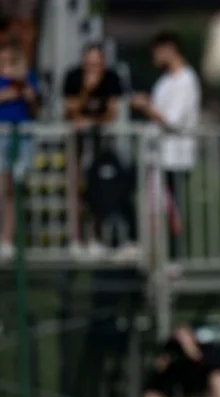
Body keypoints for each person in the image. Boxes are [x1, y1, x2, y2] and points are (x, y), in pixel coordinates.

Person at [131, 30, 201, 261]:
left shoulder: (186, 79)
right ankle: (159, 260)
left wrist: (146, 107)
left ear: (169, 49)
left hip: (176, 158)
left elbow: (173, 121)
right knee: (155, 214)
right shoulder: (165, 80)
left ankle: (173, 263)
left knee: (172, 215)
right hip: (159, 158)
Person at [63, 43, 124, 258]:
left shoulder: (111, 78)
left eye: (97, 64)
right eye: (89, 64)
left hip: (101, 143)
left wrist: (91, 121)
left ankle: (96, 237)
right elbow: (70, 111)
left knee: (98, 189)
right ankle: (76, 238)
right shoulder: (73, 77)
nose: (93, 69)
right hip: (77, 143)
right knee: (76, 189)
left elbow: (112, 112)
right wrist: (86, 91)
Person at [0, 40, 37, 260]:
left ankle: (7, 239)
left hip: (21, 137)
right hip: (2, 136)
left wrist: (24, 88)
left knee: (14, 189)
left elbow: (34, 105)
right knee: (1, 187)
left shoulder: (25, 79)